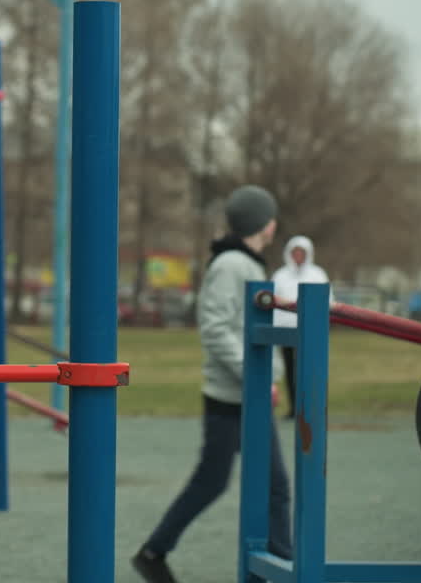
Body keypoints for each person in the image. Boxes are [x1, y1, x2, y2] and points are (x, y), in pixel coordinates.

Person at [132, 185, 291, 583]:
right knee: (262, 487)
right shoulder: (233, 265)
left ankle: (154, 552)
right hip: (234, 397)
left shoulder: (244, 263)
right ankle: (280, 569)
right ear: (264, 224)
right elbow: (216, 329)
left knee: (235, 484)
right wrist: (256, 376)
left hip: (244, 396)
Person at [271, 235, 331, 419]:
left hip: (311, 331)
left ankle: (311, 408)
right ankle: (294, 408)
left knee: (310, 370)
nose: (298, 256)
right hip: (286, 330)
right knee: (290, 370)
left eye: (301, 252)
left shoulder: (318, 274)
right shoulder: (280, 276)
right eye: (294, 252)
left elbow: (328, 301)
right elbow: (272, 301)